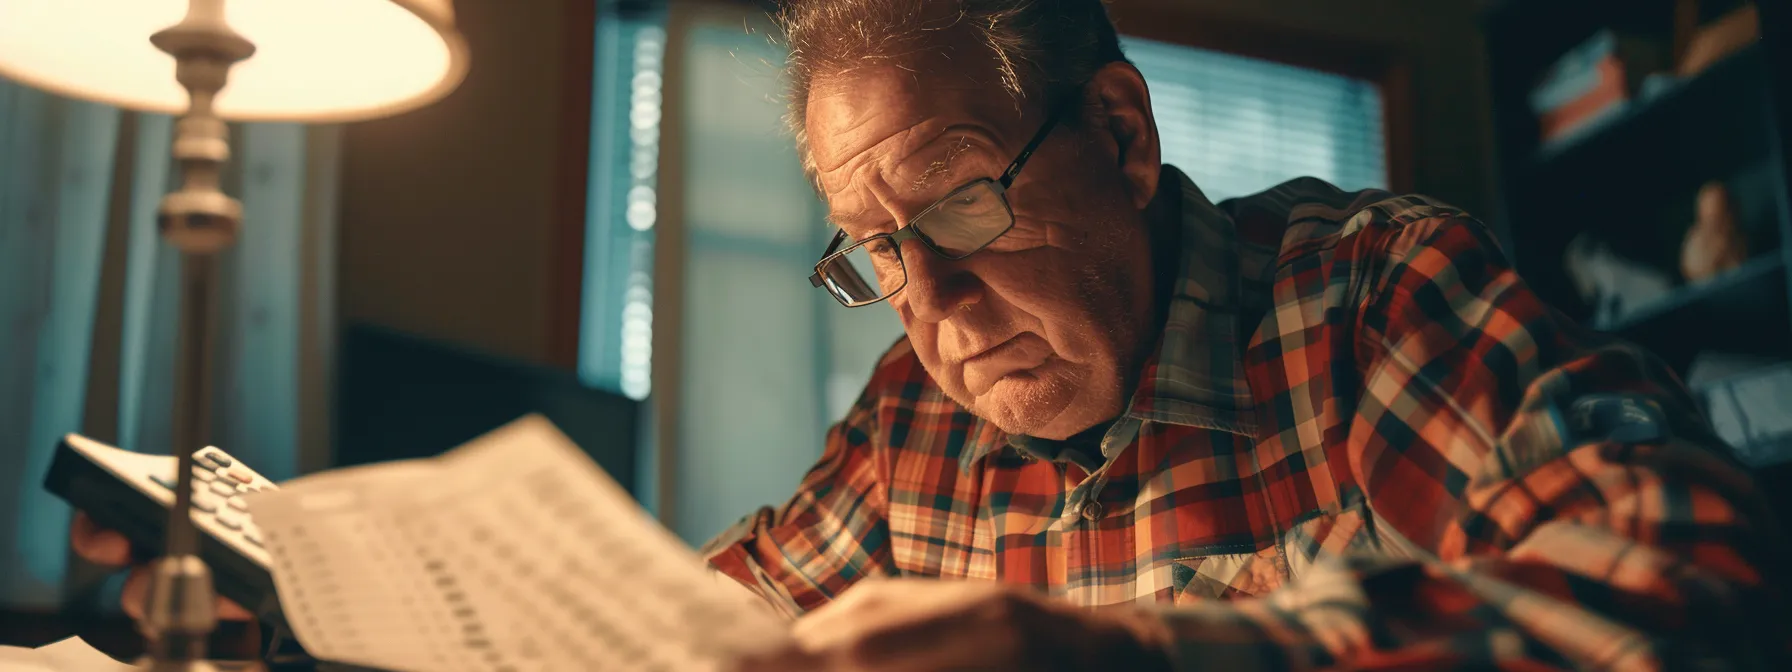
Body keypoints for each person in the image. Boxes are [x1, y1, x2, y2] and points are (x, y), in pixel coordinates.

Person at [72, 0, 1788, 670]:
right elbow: (688, 634)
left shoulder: (1367, 293)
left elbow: (1701, 562)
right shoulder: (917, 417)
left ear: (1121, 136)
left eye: (959, 204)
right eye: (875, 252)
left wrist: (1128, 664)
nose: (937, 309)